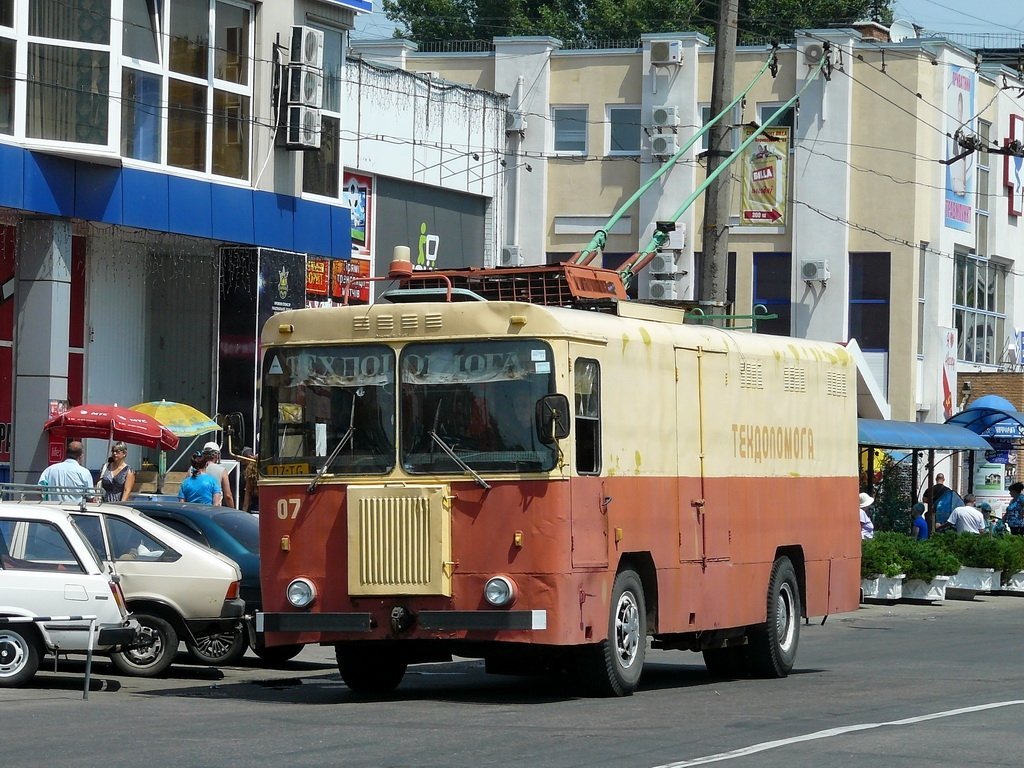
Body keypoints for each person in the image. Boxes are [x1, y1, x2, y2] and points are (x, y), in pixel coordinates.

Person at [202, 441, 235, 508]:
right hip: (214, 509)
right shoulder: (221, 470)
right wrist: (233, 510)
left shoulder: (192, 469)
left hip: (194, 509)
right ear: (216, 455)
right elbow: (228, 496)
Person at [240, 446, 259, 513]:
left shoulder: (250, 477)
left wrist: (243, 514)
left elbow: (246, 502)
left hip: (253, 511)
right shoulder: (266, 477)